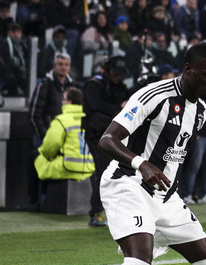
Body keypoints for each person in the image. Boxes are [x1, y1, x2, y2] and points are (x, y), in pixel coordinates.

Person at [64, 42, 206, 265]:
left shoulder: (202, 112)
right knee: (139, 260)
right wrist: (141, 164)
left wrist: (169, 189)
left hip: (164, 196)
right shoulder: (154, 95)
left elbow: (173, 157)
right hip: (127, 183)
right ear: (188, 69)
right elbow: (107, 140)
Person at [83, 56, 131, 227]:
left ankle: (114, 212)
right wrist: (120, 107)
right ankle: (95, 213)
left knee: (118, 174)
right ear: (107, 70)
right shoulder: (94, 85)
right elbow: (96, 105)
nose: (119, 77)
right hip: (97, 136)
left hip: (116, 137)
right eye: (116, 73)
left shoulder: (121, 87)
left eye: (121, 74)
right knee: (103, 174)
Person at [29, 53, 74, 207]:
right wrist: (45, 136)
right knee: (43, 171)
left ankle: (53, 204)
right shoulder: (45, 85)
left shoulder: (71, 86)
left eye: (66, 64)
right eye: (60, 64)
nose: (63, 67)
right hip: (45, 137)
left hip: (65, 138)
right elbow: (35, 115)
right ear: (54, 66)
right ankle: (39, 203)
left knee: (57, 171)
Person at [34, 87, 95, 180]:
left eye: (63, 99)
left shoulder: (61, 120)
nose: (61, 102)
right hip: (88, 168)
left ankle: (38, 195)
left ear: (69, 102)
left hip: (67, 168)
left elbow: (49, 147)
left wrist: (46, 155)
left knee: (37, 160)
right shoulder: (88, 120)